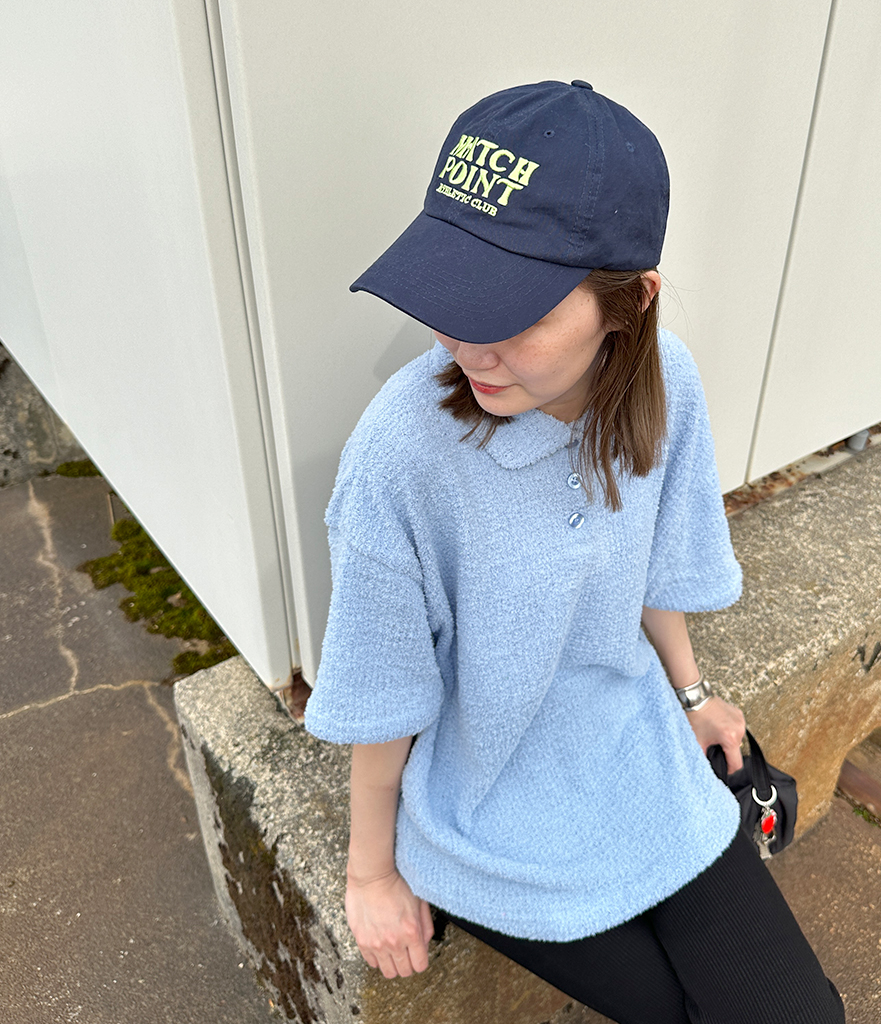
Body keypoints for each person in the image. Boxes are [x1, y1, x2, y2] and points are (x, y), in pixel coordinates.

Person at [305, 80, 845, 1024]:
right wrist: (371, 873)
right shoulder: (400, 457)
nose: (470, 346)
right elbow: (385, 689)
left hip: (632, 747)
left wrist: (692, 697)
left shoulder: (667, 382)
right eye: (454, 294)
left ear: (630, 303)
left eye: (515, 314)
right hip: (487, 805)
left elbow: (651, 566)